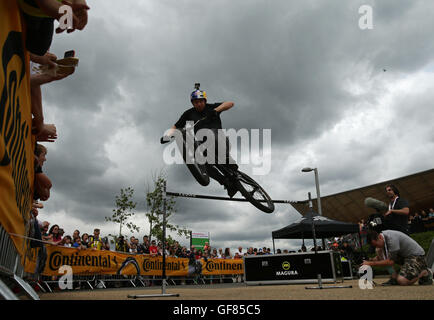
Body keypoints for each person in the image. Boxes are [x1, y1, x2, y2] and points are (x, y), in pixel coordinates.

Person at [161, 84, 237, 197]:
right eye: (196, 102)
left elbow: (230, 103)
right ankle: (226, 183)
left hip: (219, 139)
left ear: (205, 101)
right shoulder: (188, 113)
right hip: (205, 146)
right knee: (204, 164)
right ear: (192, 103)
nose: (199, 104)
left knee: (212, 134)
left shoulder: (211, 107)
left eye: (201, 101)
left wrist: (216, 110)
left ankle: (229, 162)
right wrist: (167, 135)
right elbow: (175, 126)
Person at [363, 229, 432, 286]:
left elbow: (390, 261)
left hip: (417, 257)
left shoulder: (391, 239)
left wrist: (370, 263)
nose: (376, 246)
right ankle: (394, 278)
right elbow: (382, 257)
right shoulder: (383, 239)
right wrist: (369, 260)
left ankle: (424, 271)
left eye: (376, 244)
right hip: (405, 257)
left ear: (380, 237)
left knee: (402, 281)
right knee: (379, 250)